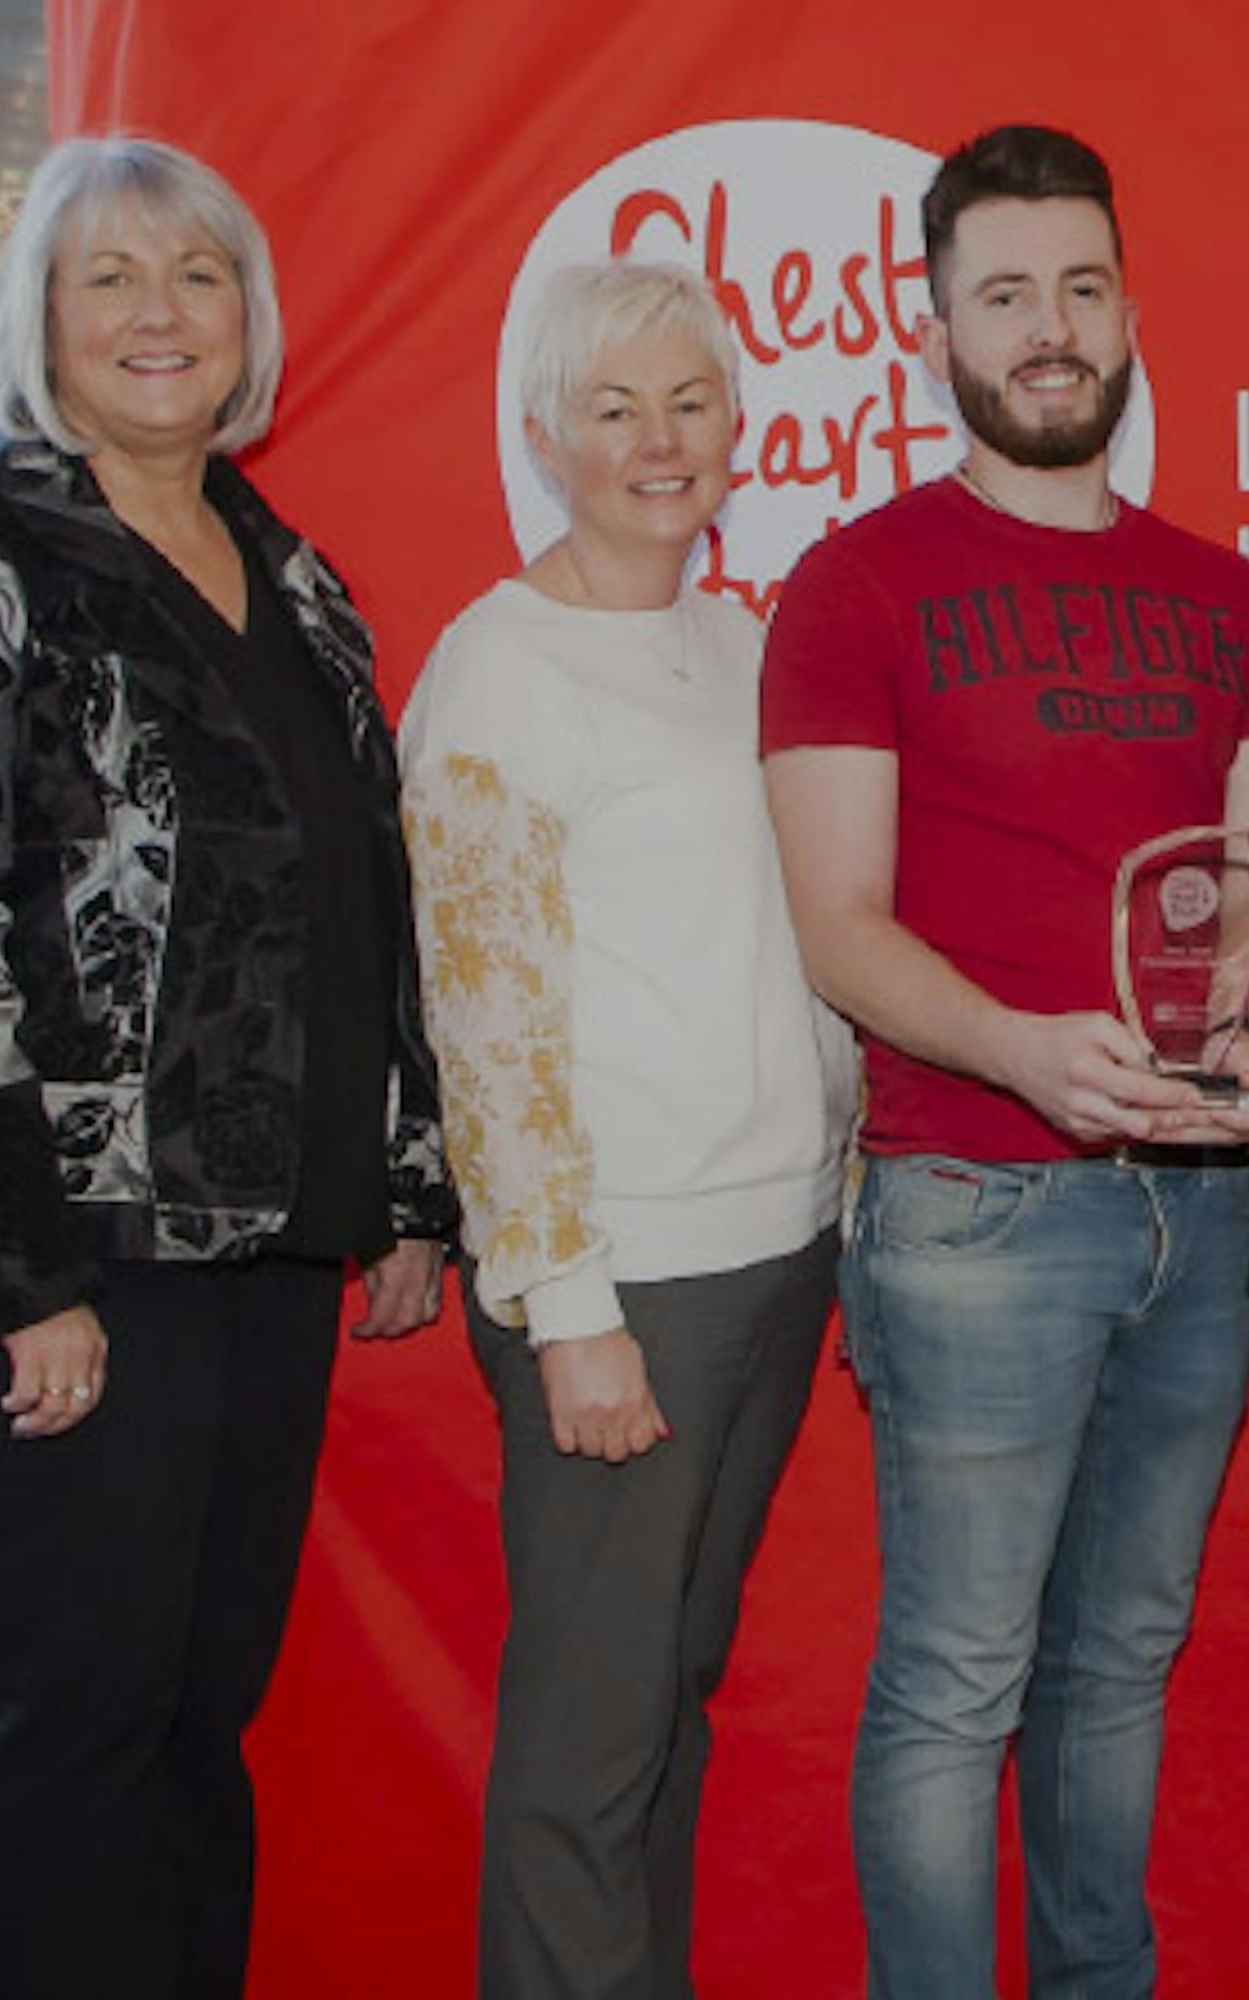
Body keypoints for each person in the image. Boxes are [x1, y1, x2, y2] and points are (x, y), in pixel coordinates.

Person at [0, 135, 454, 1999]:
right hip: (39, 1245)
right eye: (112, 278)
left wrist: (398, 1181)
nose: (160, 313)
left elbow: (357, 903)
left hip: (255, 1238)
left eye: (198, 276)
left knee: (191, 1718)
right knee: (74, 1728)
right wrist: (20, 1277)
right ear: (43, 323)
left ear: (248, 319)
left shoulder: (291, 575)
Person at [759, 125, 1249, 1998]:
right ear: (936, 329)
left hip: (1196, 1219)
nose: (1048, 329)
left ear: (1130, 311)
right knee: (954, 1685)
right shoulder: (856, 587)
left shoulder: (1229, 598)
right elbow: (839, 922)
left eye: (1080, 287)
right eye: (1005, 294)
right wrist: (1022, 1056)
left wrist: (1248, 1049)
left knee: (1119, 1666)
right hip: (973, 1209)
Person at [399, 259, 856, 2000]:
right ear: (545, 437)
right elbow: (488, 1018)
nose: (659, 442)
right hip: (623, 1284)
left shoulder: (743, 644)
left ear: (738, 429)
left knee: (663, 1702)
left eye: (689, 403)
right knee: (591, 1743)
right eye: (615, 408)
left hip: (775, 1246)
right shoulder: (497, 674)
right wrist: (564, 1303)